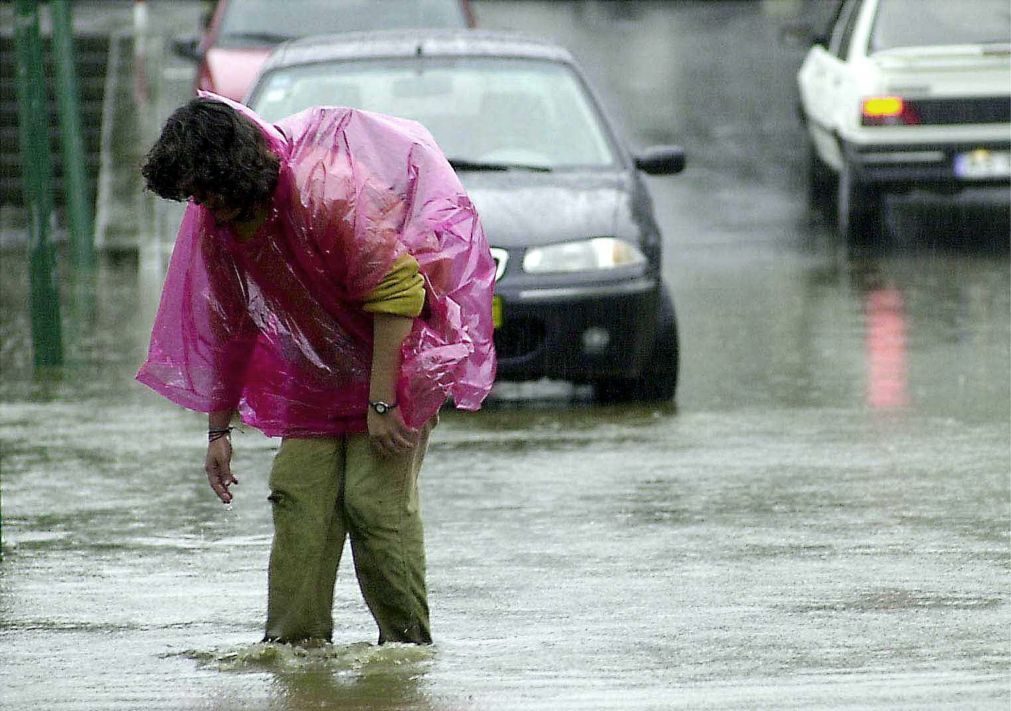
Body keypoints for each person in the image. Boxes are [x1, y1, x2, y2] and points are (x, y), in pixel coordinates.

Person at [137, 94, 496, 646]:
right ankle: (294, 654)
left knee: (373, 504)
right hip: (317, 375)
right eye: (191, 194)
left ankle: (405, 655)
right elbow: (231, 324)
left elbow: (401, 292)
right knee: (298, 499)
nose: (200, 202)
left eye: (204, 187)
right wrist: (217, 430)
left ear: (233, 167)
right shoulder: (220, 226)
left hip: (395, 360)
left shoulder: (324, 193)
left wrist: (382, 404)